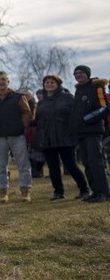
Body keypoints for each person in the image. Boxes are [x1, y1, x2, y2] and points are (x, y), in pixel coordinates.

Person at [33, 75, 89, 201]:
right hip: (47, 138)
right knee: (53, 167)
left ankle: (84, 189)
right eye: (47, 82)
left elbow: (76, 115)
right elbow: (37, 120)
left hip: (65, 137)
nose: (49, 84)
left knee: (70, 165)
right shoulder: (41, 102)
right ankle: (58, 192)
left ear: (58, 84)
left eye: (52, 82)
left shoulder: (68, 98)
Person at [0, 71, 33, 203]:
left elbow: (27, 112)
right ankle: (3, 193)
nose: (0, 82)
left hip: (17, 135)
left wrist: (22, 126)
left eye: (3, 79)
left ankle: (25, 191)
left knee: (23, 164)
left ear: (8, 81)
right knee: (0, 166)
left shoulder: (18, 96)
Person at [70, 65, 109, 203]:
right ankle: (95, 191)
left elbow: (105, 107)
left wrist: (89, 119)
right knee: (86, 163)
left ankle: (104, 193)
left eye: (81, 72)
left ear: (87, 74)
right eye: (76, 73)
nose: (78, 75)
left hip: (93, 131)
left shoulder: (97, 88)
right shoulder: (78, 91)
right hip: (81, 133)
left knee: (96, 162)